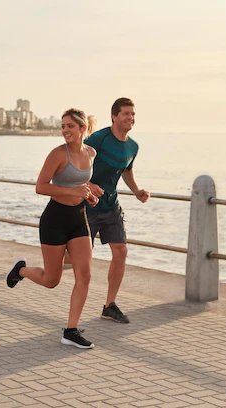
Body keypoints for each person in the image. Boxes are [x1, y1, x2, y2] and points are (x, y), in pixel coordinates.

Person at [5, 108, 99, 349]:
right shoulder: (57, 154)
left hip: (79, 218)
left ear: (83, 129)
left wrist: (89, 193)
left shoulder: (91, 153)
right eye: (63, 126)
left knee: (85, 274)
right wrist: (74, 191)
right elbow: (41, 186)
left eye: (70, 126)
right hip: (55, 220)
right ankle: (21, 270)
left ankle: (70, 330)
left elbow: (81, 182)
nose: (65, 130)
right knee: (51, 280)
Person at [84, 97, 150, 324]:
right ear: (114, 116)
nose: (130, 118)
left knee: (121, 251)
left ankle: (109, 305)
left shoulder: (133, 147)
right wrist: (88, 185)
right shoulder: (98, 139)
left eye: (133, 114)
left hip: (111, 206)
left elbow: (126, 171)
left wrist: (137, 190)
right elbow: (76, 162)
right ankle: (31, 269)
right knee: (72, 261)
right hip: (87, 206)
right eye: (126, 114)